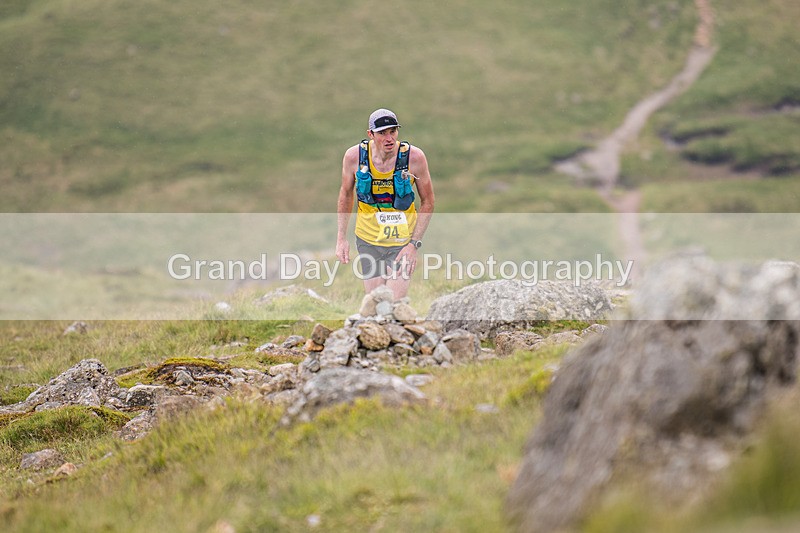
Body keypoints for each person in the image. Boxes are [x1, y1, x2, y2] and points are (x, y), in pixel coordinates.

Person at [336, 108, 435, 299]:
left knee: (394, 304)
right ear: (370, 134)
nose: (389, 138)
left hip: (402, 241)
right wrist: (341, 238)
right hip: (368, 240)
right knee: (376, 304)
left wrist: (413, 245)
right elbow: (345, 194)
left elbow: (428, 201)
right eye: (382, 133)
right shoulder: (353, 157)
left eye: (393, 131)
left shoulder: (414, 158)